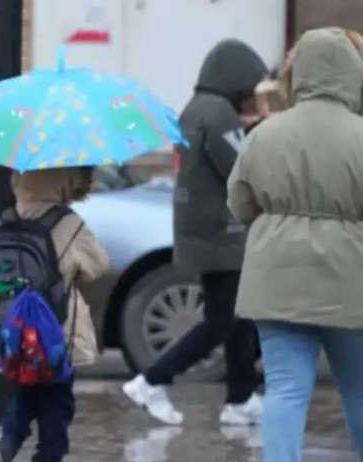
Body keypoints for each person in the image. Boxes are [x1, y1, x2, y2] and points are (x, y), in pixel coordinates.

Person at [227, 27, 363, 461]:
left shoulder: (264, 134)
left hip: (277, 278)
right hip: (350, 280)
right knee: (359, 390)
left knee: (285, 388)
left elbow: (239, 204)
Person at [123, 39, 267, 426]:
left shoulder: (199, 109)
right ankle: (152, 381)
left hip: (207, 232)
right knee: (222, 321)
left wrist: (251, 129)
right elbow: (241, 168)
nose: (252, 95)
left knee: (238, 316)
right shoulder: (217, 113)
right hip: (220, 235)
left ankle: (240, 399)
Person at [0, 168, 110, 462]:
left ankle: (2, 444)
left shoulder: (8, 218)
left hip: (15, 331)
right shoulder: (67, 223)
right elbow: (99, 265)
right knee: (57, 409)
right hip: (55, 334)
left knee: (24, 395)